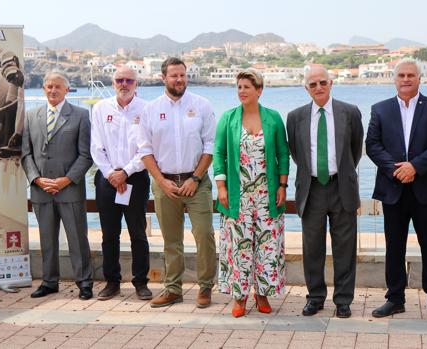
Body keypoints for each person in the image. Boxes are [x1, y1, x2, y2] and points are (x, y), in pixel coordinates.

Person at [366, 58, 427, 321]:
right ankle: (395, 299)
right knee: (394, 246)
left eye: (411, 75)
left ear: (419, 78)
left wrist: (414, 166)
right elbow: (372, 145)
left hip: (426, 188)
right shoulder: (380, 109)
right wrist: (396, 169)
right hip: (393, 188)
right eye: (401, 75)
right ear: (394, 79)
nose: (406, 79)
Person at [138, 57, 216, 308]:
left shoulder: (202, 105)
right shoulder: (150, 110)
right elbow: (145, 150)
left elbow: (210, 146)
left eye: (183, 75)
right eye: (174, 75)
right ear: (163, 78)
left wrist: (195, 178)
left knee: (204, 234)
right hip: (165, 183)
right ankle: (173, 289)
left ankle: (205, 288)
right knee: (171, 240)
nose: (180, 79)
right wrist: (161, 181)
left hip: (197, 182)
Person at [286, 65, 363, 318]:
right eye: (312, 84)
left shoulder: (350, 112)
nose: (318, 87)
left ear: (331, 83)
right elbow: (297, 154)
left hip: (341, 187)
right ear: (306, 88)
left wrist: (339, 171)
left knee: (345, 247)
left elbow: (354, 151)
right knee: (312, 248)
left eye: (322, 82)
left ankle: (343, 300)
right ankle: (315, 297)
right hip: (312, 189)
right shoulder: (295, 117)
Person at [213, 69, 289, 317]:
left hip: (267, 197)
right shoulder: (228, 118)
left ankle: (263, 294)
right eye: (239, 87)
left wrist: (282, 185)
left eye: (247, 86)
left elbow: (283, 154)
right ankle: (240, 297)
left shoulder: (273, 118)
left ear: (259, 90)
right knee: (239, 248)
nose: (242, 91)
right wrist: (221, 186)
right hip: (238, 196)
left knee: (267, 246)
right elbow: (218, 154)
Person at [21, 70, 94, 300]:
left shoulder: (81, 116)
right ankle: (49, 282)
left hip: (69, 189)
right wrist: (37, 179)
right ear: (44, 89)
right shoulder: (31, 116)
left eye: (57, 87)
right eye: (49, 86)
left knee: (77, 239)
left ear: (66, 90)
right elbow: (26, 154)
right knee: (47, 239)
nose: (53, 90)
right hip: (41, 190)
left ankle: (84, 283)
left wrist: (66, 180)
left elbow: (85, 155)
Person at [90, 66, 152, 301]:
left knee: (138, 233)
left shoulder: (147, 109)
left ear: (137, 84)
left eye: (129, 80)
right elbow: (96, 146)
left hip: (135, 176)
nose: (124, 84)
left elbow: (147, 147)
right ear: (113, 82)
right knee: (109, 234)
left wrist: (125, 172)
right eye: (119, 80)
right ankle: (112, 282)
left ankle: (141, 282)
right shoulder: (100, 108)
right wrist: (111, 174)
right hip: (107, 178)